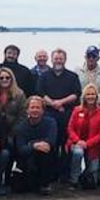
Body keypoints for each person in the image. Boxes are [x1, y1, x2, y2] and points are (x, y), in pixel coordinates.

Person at [37, 48, 82, 178]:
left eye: (60, 58)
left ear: (65, 60)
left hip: (67, 114)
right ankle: (51, 174)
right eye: (56, 58)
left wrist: (61, 102)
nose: (58, 61)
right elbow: (40, 92)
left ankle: (66, 174)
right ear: (52, 59)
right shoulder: (44, 76)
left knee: (66, 144)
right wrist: (54, 104)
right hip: (49, 115)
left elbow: (76, 94)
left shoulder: (72, 76)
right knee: (52, 144)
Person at [65, 84, 100, 188]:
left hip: (93, 146)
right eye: (88, 94)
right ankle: (73, 180)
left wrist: (87, 144)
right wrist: (78, 141)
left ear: (96, 96)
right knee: (78, 153)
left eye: (93, 94)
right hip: (76, 143)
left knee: (93, 180)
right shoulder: (76, 110)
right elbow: (70, 128)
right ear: (84, 96)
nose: (90, 96)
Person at [14, 96, 58, 195]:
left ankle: (45, 184)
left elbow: (51, 141)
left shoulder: (51, 122)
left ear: (43, 110)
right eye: (32, 107)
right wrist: (34, 145)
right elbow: (21, 148)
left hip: (45, 157)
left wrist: (31, 143)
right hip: (28, 160)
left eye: (38, 108)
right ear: (27, 110)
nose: (35, 110)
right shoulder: (21, 127)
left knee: (45, 151)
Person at [0, 67, 27, 135]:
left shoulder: (20, 94)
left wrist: (15, 130)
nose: (4, 80)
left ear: (12, 79)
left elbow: (23, 115)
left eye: (7, 77)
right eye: (1, 78)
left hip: (14, 130)